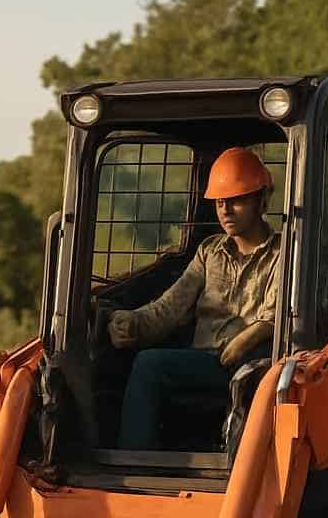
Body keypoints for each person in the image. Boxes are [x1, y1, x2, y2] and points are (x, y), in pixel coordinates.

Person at [105, 147, 280, 450]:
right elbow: (170, 307)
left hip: (253, 366)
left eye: (236, 201)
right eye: (220, 202)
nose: (225, 210)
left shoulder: (283, 252)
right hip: (208, 360)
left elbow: (275, 316)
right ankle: (137, 459)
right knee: (139, 361)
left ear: (261, 200)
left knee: (150, 365)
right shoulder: (209, 251)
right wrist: (131, 323)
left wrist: (248, 337)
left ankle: (137, 463)